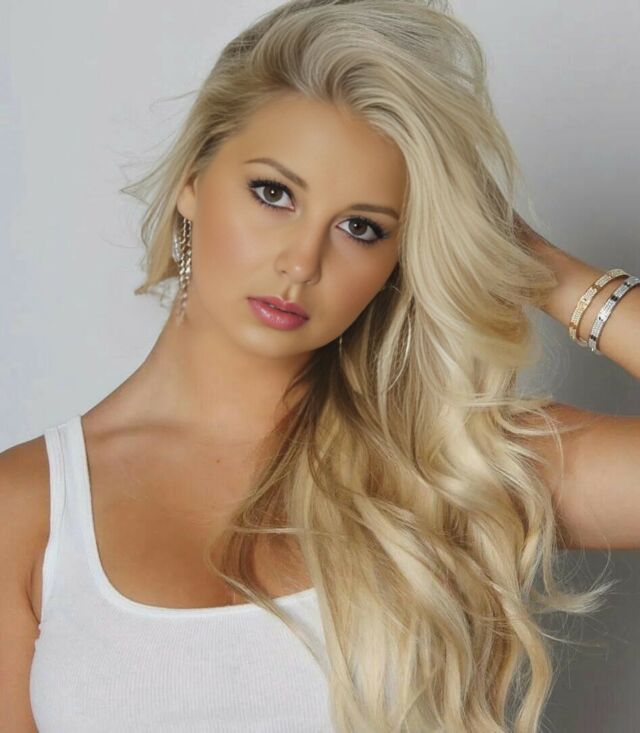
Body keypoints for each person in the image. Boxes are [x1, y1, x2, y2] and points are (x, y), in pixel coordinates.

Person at [2, 1, 639, 731]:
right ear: (192, 181)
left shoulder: (449, 464)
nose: (302, 262)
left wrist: (546, 271)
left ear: (399, 257)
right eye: (273, 193)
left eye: (360, 228)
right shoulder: (27, 506)